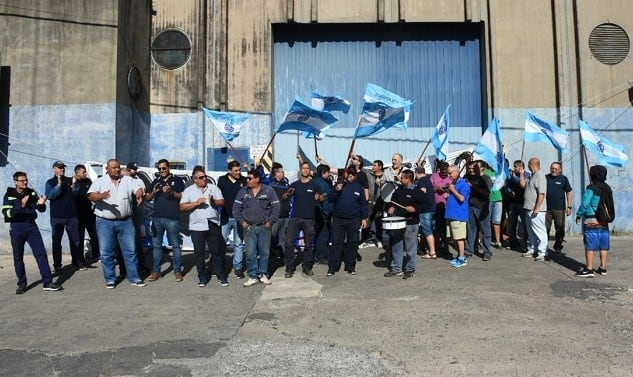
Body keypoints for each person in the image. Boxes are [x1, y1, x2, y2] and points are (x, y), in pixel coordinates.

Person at [88, 159, 146, 288]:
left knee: (130, 251)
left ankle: (134, 278)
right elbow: (91, 196)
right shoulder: (100, 182)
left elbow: (139, 189)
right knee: (106, 252)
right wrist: (101, 196)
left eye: (118, 167)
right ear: (107, 169)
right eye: (114, 167)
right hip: (105, 222)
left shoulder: (127, 180)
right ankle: (110, 279)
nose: (117, 169)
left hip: (126, 222)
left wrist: (138, 194)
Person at [3, 171, 62, 293]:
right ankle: (22, 284)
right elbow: (7, 213)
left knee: (41, 254)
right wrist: (22, 205)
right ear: (15, 182)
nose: (25, 182)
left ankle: (48, 282)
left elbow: (41, 209)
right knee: (18, 257)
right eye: (22, 180)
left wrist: (41, 204)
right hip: (17, 227)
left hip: (31, 226)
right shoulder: (9, 195)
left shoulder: (31, 192)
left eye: (26, 180)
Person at [180, 165, 228, 287]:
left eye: (205, 176)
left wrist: (213, 202)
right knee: (199, 253)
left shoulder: (213, 188)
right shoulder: (189, 191)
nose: (204, 179)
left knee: (216, 251)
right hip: (197, 226)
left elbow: (222, 202)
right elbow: (182, 207)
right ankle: (202, 277)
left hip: (212, 223)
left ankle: (221, 275)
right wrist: (196, 203)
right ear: (195, 179)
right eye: (201, 177)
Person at [233, 169, 280, 287]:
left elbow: (276, 207)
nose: (247, 180)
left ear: (257, 179)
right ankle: (252, 276)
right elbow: (236, 208)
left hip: (264, 227)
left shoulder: (268, 190)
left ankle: (263, 274)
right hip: (249, 227)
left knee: (264, 252)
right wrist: (242, 222)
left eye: (249, 178)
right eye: (247, 178)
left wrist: (271, 222)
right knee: (250, 253)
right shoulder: (243, 191)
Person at [144, 159, 185, 282]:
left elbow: (182, 196)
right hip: (157, 218)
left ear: (169, 168)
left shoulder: (177, 180)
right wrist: (154, 192)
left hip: (172, 218)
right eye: (159, 169)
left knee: (176, 246)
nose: (161, 171)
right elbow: (147, 198)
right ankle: (156, 271)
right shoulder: (156, 181)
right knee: (157, 246)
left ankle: (177, 271)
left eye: (164, 168)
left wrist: (171, 191)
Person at [282, 162, 323, 278]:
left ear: (309, 171)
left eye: (307, 169)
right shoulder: (294, 184)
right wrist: (287, 193)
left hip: (309, 219)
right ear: (300, 170)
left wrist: (319, 197)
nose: (305, 170)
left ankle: (307, 267)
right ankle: (289, 267)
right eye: (303, 168)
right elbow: (284, 197)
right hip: (295, 218)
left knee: (309, 244)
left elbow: (322, 198)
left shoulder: (314, 185)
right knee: (289, 242)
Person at [44, 160, 86, 272]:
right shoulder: (50, 182)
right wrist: (58, 184)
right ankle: (57, 265)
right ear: (54, 169)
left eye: (63, 167)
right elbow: (50, 196)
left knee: (75, 240)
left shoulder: (69, 180)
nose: (62, 169)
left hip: (71, 215)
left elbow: (76, 194)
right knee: (57, 241)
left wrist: (73, 185)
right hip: (57, 217)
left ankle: (76, 262)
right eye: (59, 167)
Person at [383, 170, 426, 279]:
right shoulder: (399, 189)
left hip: (411, 223)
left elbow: (426, 204)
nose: (400, 179)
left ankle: (410, 269)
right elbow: (393, 199)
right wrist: (392, 206)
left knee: (410, 248)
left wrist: (415, 209)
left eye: (402, 178)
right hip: (398, 222)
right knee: (397, 245)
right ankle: (396, 269)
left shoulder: (417, 191)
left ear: (408, 179)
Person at [327, 168, 368, 276]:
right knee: (336, 243)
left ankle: (350, 266)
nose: (350, 175)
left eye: (352, 174)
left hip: (353, 220)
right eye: (348, 173)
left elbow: (363, 204)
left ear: (355, 176)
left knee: (353, 243)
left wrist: (364, 218)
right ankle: (333, 267)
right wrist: (336, 190)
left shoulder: (358, 187)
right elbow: (330, 198)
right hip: (338, 219)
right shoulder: (339, 184)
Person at [575, 165, 610, 277]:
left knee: (590, 245)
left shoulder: (591, 188)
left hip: (591, 219)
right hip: (604, 220)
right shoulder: (607, 187)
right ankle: (603, 268)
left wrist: (579, 215)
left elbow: (585, 203)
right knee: (603, 245)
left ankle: (589, 269)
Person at [217, 160, 247, 278]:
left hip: (239, 218)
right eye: (236, 171)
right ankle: (220, 267)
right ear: (229, 171)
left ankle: (238, 267)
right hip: (225, 217)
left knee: (239, 244)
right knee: (221, 243)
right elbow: (218, 196)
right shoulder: (222, 180)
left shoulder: (244, 180)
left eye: (239, 170)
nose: (238, 172)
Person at [464, 160, 493, 261]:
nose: (474, 168)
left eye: (476, 166)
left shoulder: (486, 178)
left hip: (482, 207)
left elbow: (487, 193)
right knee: (471, 229)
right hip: (471, 206)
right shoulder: (470, 177)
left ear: (482, 168)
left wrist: (474, 186)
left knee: (485, 230)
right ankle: (469, 250)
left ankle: (487, 252)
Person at [521, 157, 548, 261]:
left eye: (528, 164)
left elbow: (541, 193)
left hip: (537, 210)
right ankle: (532, 249)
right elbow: (523, 185)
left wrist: (537, 208)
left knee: (540, 230)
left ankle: (542, 252)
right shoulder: (532, 176)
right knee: (530, 231)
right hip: (528, 208)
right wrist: (522, 174)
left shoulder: (540, 176)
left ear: (532, 164)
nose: (527, 166)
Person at [545, 162, 574, 256]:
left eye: (556, 169)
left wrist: (569, 206)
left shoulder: (563, 179)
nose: (553, 170)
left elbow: (569, 192)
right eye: (552, 168)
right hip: (546, 209)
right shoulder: (545, 178)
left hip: (559, 209)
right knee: (545, 229)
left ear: (560, 170)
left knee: (560, 229)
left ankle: (558, 247)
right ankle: (544, 248)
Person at [445, 165, 470, 268]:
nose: (449, 175)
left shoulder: (463, 184)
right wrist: (448, 195)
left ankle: (462, 257)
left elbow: (461, 198)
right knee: (454, 237)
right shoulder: (453, 183)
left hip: (459, 216)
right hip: (451, 214)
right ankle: (459, 255)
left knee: (459, 238)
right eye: (448, 173)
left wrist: (452, 190)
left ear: (457, 172)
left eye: (450, 173)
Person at [73, 164, 99, 260]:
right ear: (77, 173)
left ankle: (96, 254)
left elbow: (92, 193)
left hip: (89, 212)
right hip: (78, 214)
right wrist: (74, 184)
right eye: (83, 172)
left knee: (94, 234)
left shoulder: (88, 181)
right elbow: (73, 194)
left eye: (85, 172)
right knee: (79, 237)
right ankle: (80, 258)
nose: (85, 174)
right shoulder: (73, 183)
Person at [504, 160, 530, 251]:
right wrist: (509, 192)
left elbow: (522, 184)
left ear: (521, 167)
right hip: (513, 202)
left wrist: (515, 177)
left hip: (523, 203)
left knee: (525, 224)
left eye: (516, 166)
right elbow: (506, 186)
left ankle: (526, 244)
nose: (514, 168)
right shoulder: (510, 175)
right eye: (514, 166)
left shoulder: (527, 175)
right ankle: (512, 243)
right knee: (512, 224)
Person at [268, 162, 291, 260]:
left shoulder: (286, 184)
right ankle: (268, 256)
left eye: (283, 172)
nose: (282, 174)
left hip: (285, 215)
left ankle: (283, 257)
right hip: (275, 216)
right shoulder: (270, 183)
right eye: (280, 172)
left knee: (283, 238)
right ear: (275, 173)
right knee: (270, 236)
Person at [414, 166, 437, 259]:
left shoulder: (422, 181)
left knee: (428, 231)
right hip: (431, 208)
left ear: (416, 173)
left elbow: (423, 191)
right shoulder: (428, 180)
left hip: (425, 209)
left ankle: (432, 252)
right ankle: (428, 249)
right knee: (428, 230)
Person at [313, 164, 333, 264]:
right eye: (328, 172)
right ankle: (320, 256)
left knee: (318, 235)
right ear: (323, 173)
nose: (329, 174)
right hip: (323, 214)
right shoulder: (323, 184)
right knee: (323, 236)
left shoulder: (313, 181)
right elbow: (325, 201)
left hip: (315, 213)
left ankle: (319, 254)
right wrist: (328, 214)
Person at [430, 161, 452, 254]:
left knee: (446, 228)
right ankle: (437, 245)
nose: (444, 174)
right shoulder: (434, 176)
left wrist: (449, 191)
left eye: (446, 173)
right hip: (436, 205)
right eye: (443, 172)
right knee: (436, 227)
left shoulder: (450, 177)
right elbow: (429, 189)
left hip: (447, 206)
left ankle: (446, 245)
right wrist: (437, 189)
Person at [366, 159, 385, 249]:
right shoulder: (370, 175)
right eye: (373, 165)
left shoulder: (385, 176)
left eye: (375, 165)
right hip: (370, 201)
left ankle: (379, 239)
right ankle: (369, 239)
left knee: (378, 221)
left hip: (380, 201)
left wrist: (381, 184)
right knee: (369, 220)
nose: (373, 167)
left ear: (380, 167)